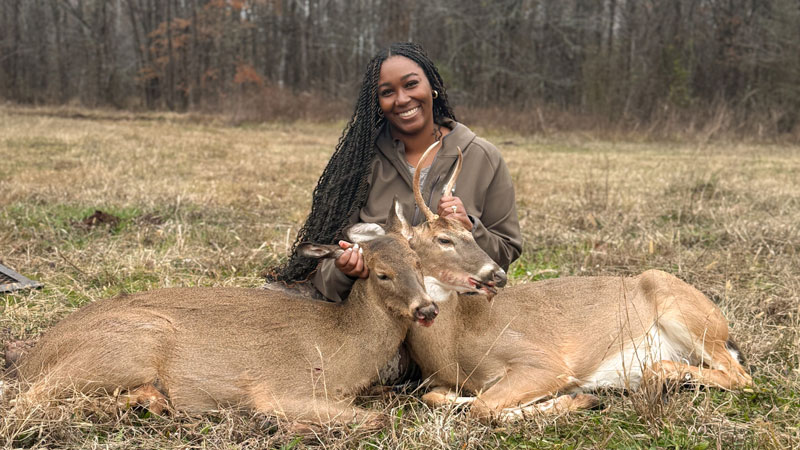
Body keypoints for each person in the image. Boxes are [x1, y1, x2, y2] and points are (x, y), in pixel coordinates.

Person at [267, 42, 521, 302]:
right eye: (387, 92)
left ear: (432, 86)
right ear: (377, 102)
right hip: (383, 313)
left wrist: (470, 228)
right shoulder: (359, 164)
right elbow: (323, 270)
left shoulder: (483, 157)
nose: (402, 99)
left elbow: (506, 253)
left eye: (411, 84)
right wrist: (346, 271)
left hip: (455, 317)